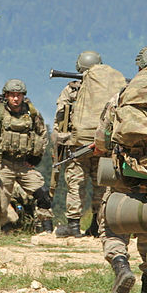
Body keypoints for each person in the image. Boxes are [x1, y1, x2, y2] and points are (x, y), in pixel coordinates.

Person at [94, 45, 147, 293]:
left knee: (114, 228)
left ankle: (121, 267)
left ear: (139, 68)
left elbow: (103, 139)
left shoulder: (122, 97)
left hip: (124, 179)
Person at [0, 78, 53, 233]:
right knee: (0, 204)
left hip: (24, 164)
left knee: (43, 193)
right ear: (6, 96)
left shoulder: (32, 113)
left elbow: (42, 134)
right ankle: (5, 229)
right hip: (3, 164)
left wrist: (36, 157)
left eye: (19, 95)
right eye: (12, 95)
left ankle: (46, 229)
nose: (16, 98)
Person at [53, 50, 104, 237]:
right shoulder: (107, 89)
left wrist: (59, 141)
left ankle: (74, 226)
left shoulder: (71, 90)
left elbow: (61, 117)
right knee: (101, 185)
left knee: (76, 184)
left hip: (77, 145)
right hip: (100, 145)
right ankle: (98, 225)